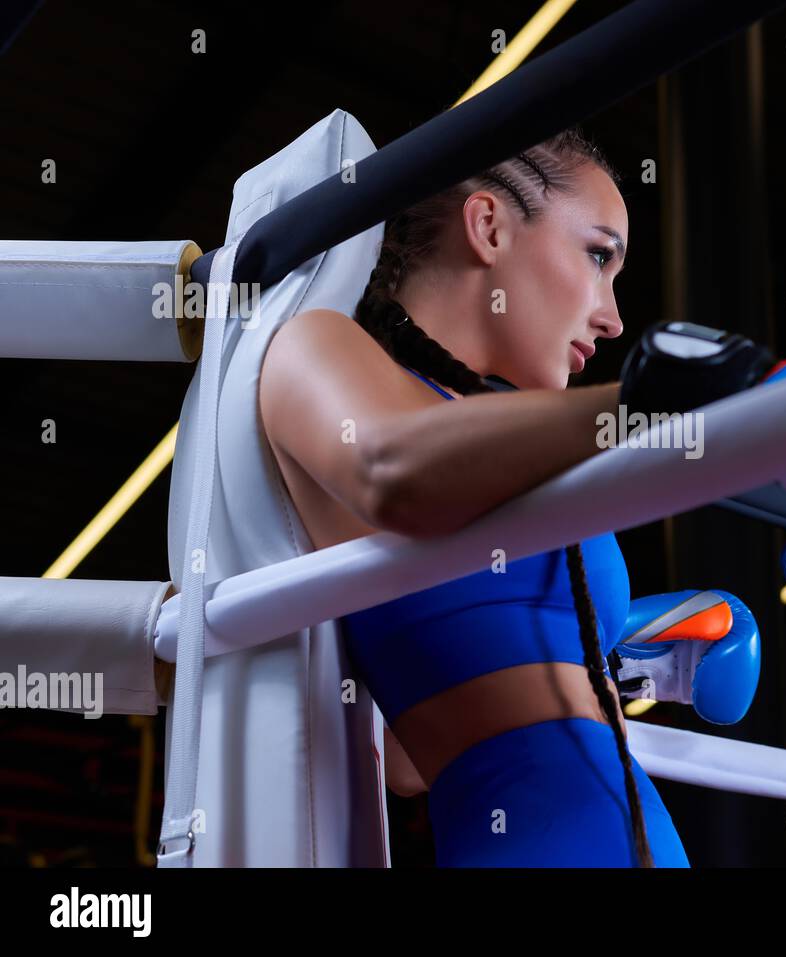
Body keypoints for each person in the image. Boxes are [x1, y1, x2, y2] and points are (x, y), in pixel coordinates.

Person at [257, 128, 688, 867]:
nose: (614, 317)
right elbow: (395, 467)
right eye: (597, 255)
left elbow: (401, 762)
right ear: (488, 226)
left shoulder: (506, 443)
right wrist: (675, 402)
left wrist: (632, 651)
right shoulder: (315, 344)